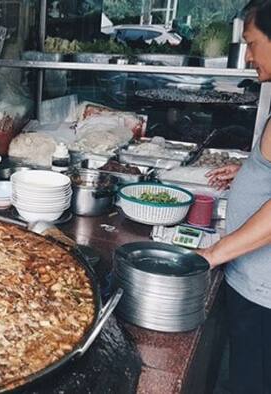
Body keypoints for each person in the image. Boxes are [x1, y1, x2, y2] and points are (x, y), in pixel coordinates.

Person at [198, 1, 271, 392]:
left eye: (252, 43)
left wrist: (213, 254)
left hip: (265, 294)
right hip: (255, 285)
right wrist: (252, 170)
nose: (247, 56)